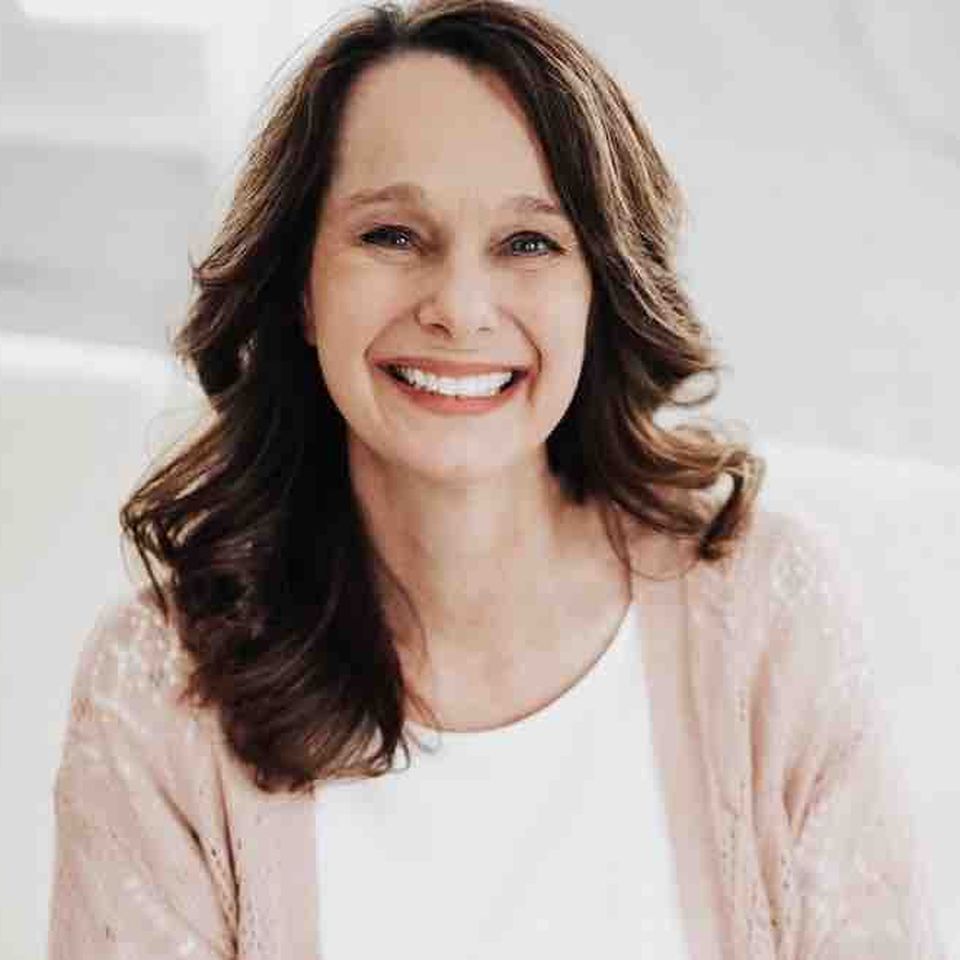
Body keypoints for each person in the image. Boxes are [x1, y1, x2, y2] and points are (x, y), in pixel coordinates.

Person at [47, 1, 943, 957]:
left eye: (529, 243)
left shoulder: (767, 614)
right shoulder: (159, 689)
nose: (461, 308)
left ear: (599, 289)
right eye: (392, 235)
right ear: (302, 286)